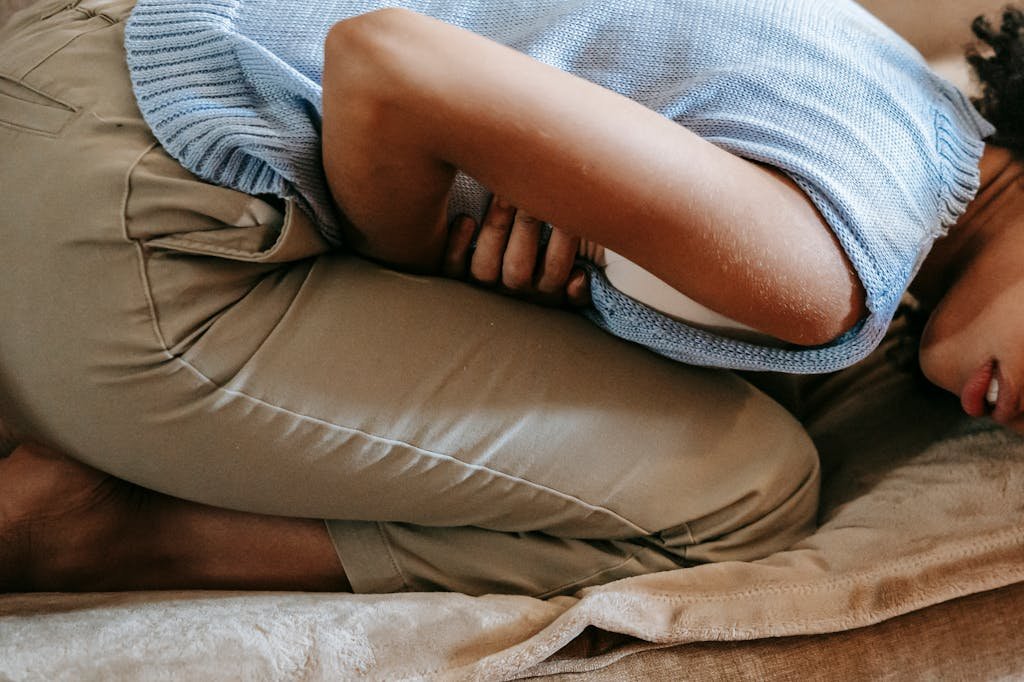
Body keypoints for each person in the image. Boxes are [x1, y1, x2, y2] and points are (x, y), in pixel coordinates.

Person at [0, 0, 1019, 594]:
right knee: (747, 487)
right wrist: (430, 266)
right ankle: (101, 533)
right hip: (127, 229)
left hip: (75, 74)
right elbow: (388, 64)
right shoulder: (825, 270)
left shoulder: (895, 90)